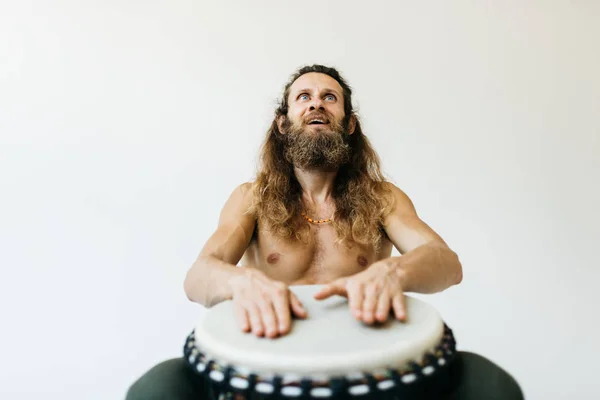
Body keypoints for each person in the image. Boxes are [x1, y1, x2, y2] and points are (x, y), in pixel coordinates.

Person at [126, 65, 524, 399]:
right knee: (159, 387)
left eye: (329, 97)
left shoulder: (382, 197)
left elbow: (447, 264)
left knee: (486, 384)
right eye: (304, 97)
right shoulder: (252, 197)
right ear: (282, 124)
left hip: (364, 375)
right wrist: (240, 281)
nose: (316, 102)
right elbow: (198, 277)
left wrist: (394, 272)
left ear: (349, 124)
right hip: (269, 375)